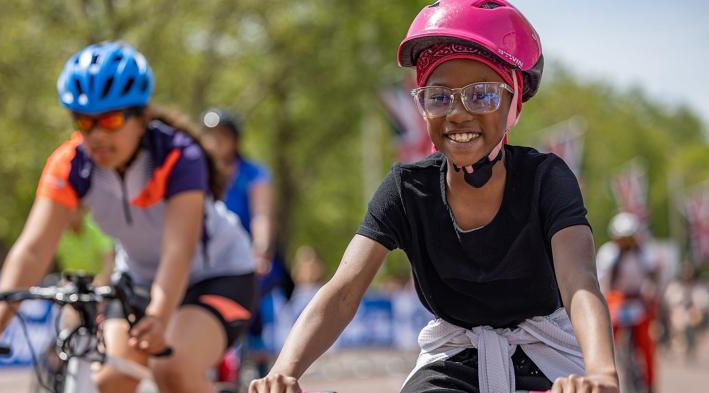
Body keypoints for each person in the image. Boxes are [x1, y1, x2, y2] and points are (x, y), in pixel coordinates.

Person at [249, 1, 619, 392]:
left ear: (514, 103)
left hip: (547, 355)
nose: (458, 114)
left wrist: (601, 373)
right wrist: (284, 372)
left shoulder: (547, 178)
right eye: (438, 97)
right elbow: (341, 292)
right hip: (452, 356)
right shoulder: (407, 189)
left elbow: (579, 282)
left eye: (482, 95)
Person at [0, 41, 256, 393]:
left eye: (109, 120)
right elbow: (33, 249)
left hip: (218, 275)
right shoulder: (71, 164)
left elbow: (178, 251)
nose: (95, 135)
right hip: (138, 281)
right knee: (111, 378)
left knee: (173, 368)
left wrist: (157, 317)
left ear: (141, 119)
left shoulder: (178, 156)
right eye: (84, 121)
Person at [200, 108, 294, 378]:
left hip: (246, 254)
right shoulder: (196, 173)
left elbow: (262, 215)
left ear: (234, 140)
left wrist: (261, 250)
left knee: (256, 311)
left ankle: (261, 366)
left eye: (222, 136)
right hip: (210, 256)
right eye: (210, 136)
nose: (215, 142)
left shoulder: (253, 173)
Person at [596, 212, 658, 391]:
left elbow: (651, 278)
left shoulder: (644, 253)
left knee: (647, 343)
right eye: (622, 239)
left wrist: (650, 293)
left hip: (637, 300)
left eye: (629, 238)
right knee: (606, 339)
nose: (626, 243)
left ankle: (650, 382)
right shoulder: (608, 254)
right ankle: (605, 372)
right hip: (616, 299)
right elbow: (601, 282)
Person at [56, 206, 115, 285]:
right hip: (69, 284)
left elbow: (108, 259)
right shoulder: (60, 233)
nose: (69, 214)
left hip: (94, 284)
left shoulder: (95, 227)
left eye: (73, 210)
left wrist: (103, 280)